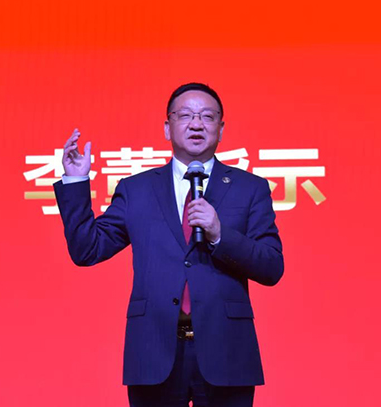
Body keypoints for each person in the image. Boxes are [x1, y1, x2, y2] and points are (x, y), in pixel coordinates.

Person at [54, 83, 284, 407]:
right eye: (185, 115)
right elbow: (87, 249)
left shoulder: (250, 188)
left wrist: (220, 234)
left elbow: (272, 266)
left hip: (227, 351)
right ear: (167, 127)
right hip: (154, 350)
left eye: (207, 116)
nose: (196, 124)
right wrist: (76, 180)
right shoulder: (136, 189)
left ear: (221, 128)